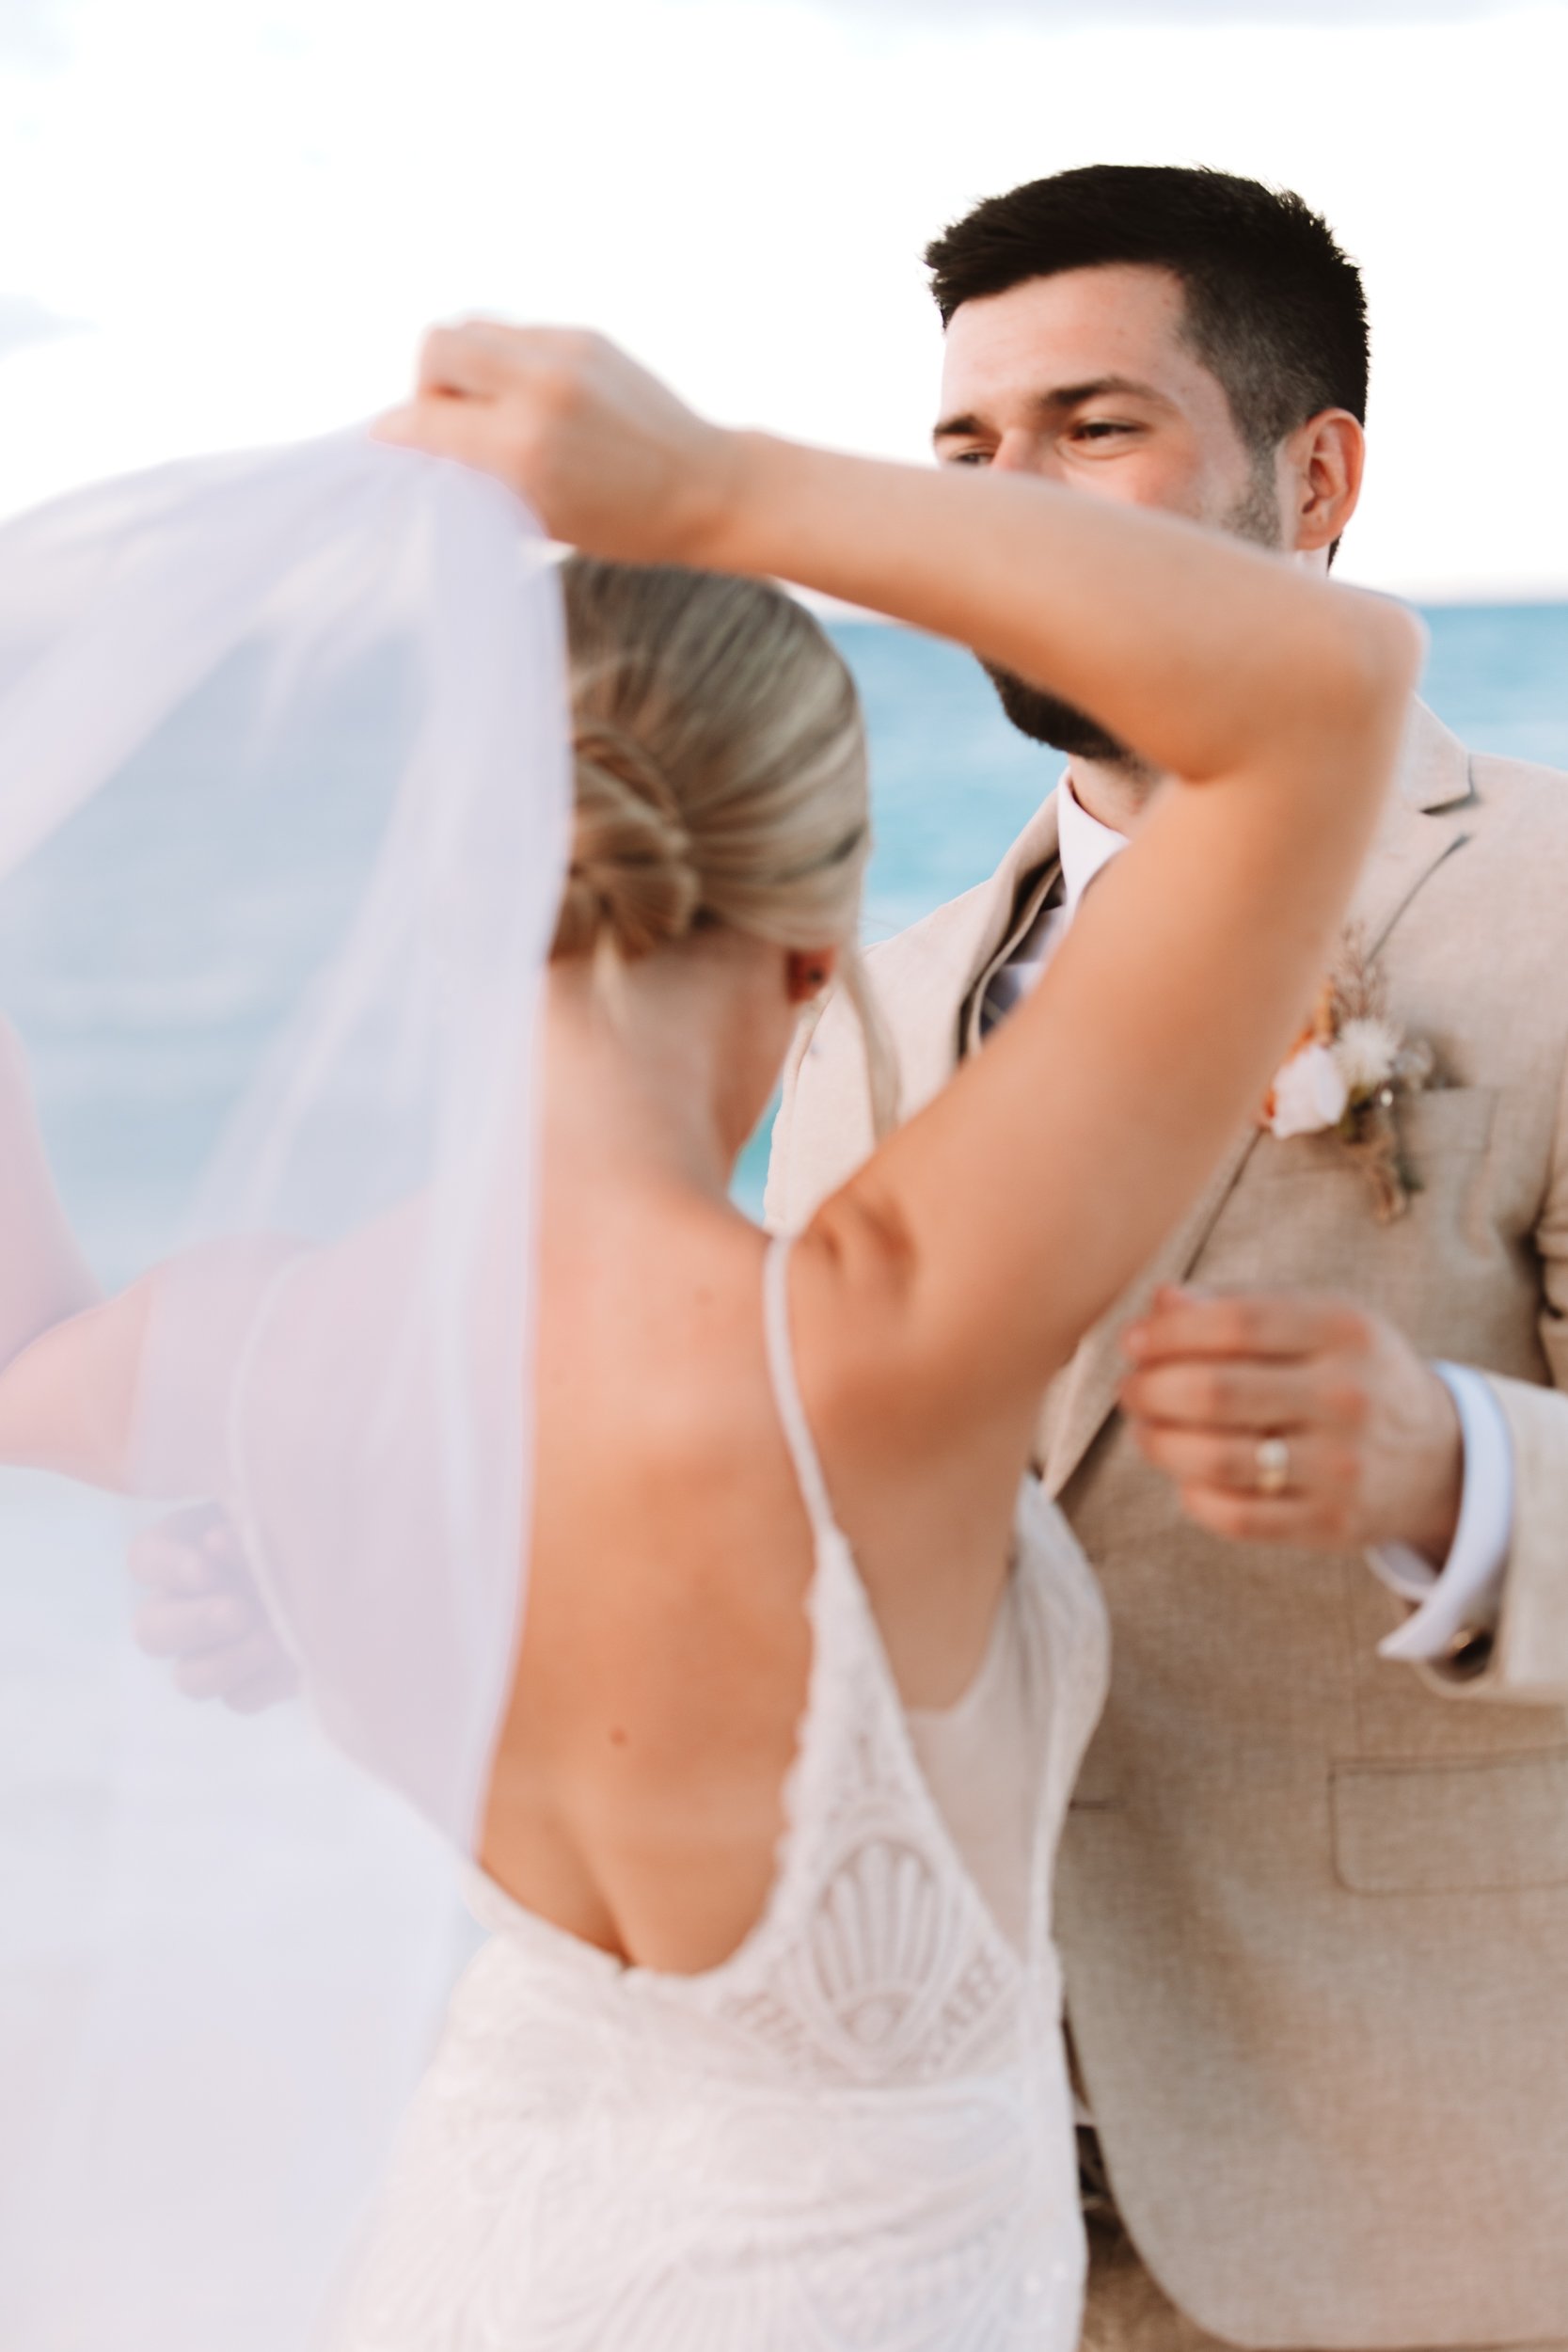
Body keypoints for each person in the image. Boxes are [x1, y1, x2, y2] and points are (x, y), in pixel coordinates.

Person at [0, 323, 1414, 2345]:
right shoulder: (875, 1342)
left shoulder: (255, 1349)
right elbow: (1329, 685)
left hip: (466, 2270)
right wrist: (714, 486)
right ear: (820, 945)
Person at [768, 164, 1568, 2350]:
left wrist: (1451, 1473)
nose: (1004, 503)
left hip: (1434, 2190)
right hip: (948, 2198)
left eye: (1091, 428)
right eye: (963, 452)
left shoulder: (1558, 916)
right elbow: (785, 1535)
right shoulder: (864, 1003)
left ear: (1315, 477)